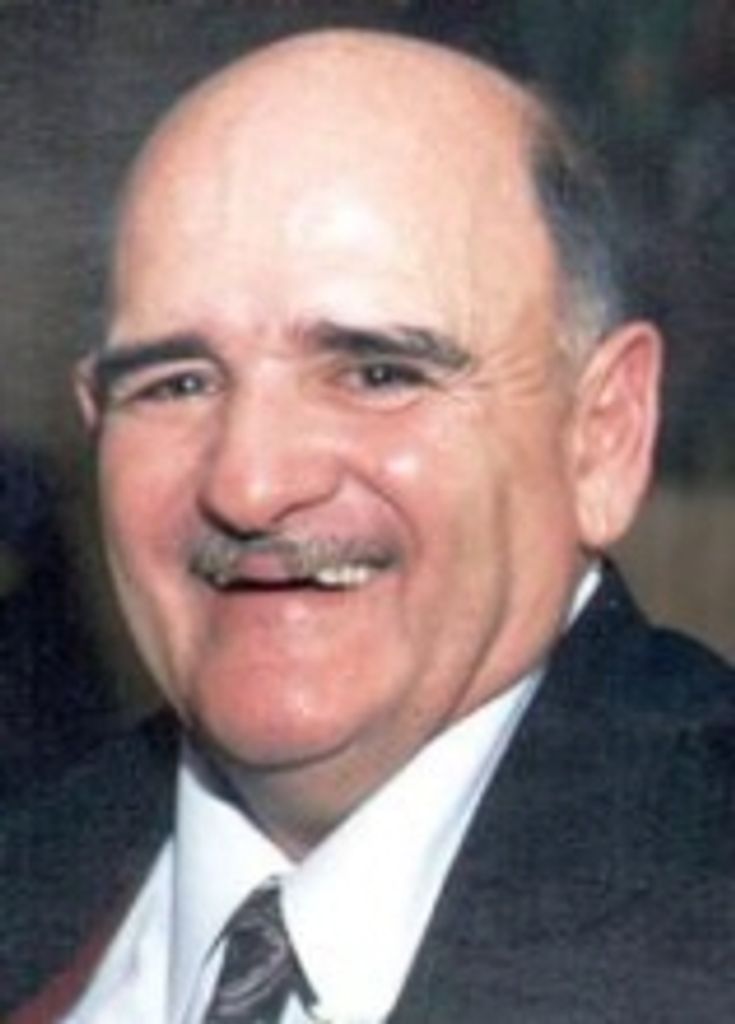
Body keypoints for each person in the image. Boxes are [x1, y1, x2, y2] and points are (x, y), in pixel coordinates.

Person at [3, 28, 734, 1024]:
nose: (251, 483)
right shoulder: (33, 868)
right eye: (175, 383)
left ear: (601, 435)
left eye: (377, 373)